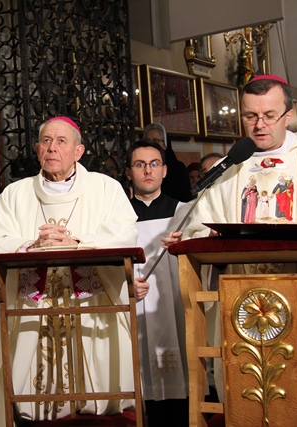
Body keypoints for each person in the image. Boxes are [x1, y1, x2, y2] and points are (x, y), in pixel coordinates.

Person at [176, 74, 297, 423]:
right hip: (242, 298)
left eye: (269, 115)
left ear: (288, 116)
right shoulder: (230, 168)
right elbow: (199, 224)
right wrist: (202, 236)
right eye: (250, 116)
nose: (259, 125)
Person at [0, 116, 140, 425]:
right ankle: (33, 408)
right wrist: (33, 245)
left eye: (61, 141)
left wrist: (78, 243)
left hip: (91, 303)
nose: (52, 148)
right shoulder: (15, 194)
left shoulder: (105, 188)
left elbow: (126, 234)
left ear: (79, 151)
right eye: (46, 141)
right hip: (34, 305)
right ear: (37, 149)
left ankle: (96, 404)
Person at [126, 140, 190, 426]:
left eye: (154, 164)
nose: (147, 171)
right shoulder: (119, 216)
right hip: (134, 305)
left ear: (164, 170)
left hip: (174, 303)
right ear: (129, 173)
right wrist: (125, 286)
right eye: (140, 165)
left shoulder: (185, 213)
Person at [143, 123, 192, 203]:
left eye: (156, 140)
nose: (151, 144)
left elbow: (185, 199)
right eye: (148, 140)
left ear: (165, 145)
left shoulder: (178, 168)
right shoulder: (140, 167)